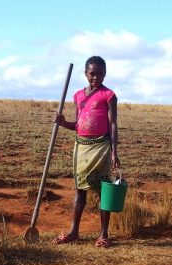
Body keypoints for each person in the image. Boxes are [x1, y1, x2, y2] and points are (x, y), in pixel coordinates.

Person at [52, 56, 120, 248]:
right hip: (81, 147)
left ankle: (103, 234)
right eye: (92, 74)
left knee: (103, 191)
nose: (96, 77)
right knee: (80, 191)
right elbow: (78, 124)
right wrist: (63, 122)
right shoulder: (78, 96)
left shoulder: (109, 95)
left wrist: (115, 151)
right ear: (85, 74)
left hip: (101, 148)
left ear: (105, 74)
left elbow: (113, 125)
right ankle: (74, 232)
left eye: (100, 74)